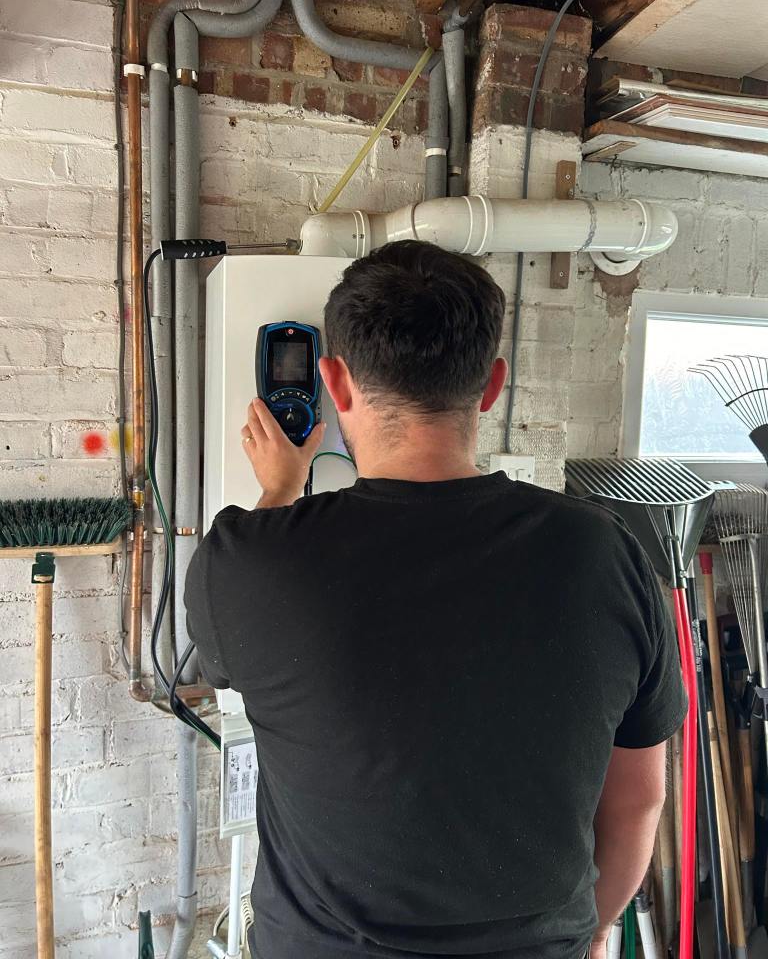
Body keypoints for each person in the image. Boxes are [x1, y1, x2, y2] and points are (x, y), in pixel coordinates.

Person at [186, 240, 687, 959]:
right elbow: (641, 798)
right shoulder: (608, 554)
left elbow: (234, 644)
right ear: (491, 386)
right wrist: (592, 932)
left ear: (334, 381)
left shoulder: (246, 561)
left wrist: (280, 490)